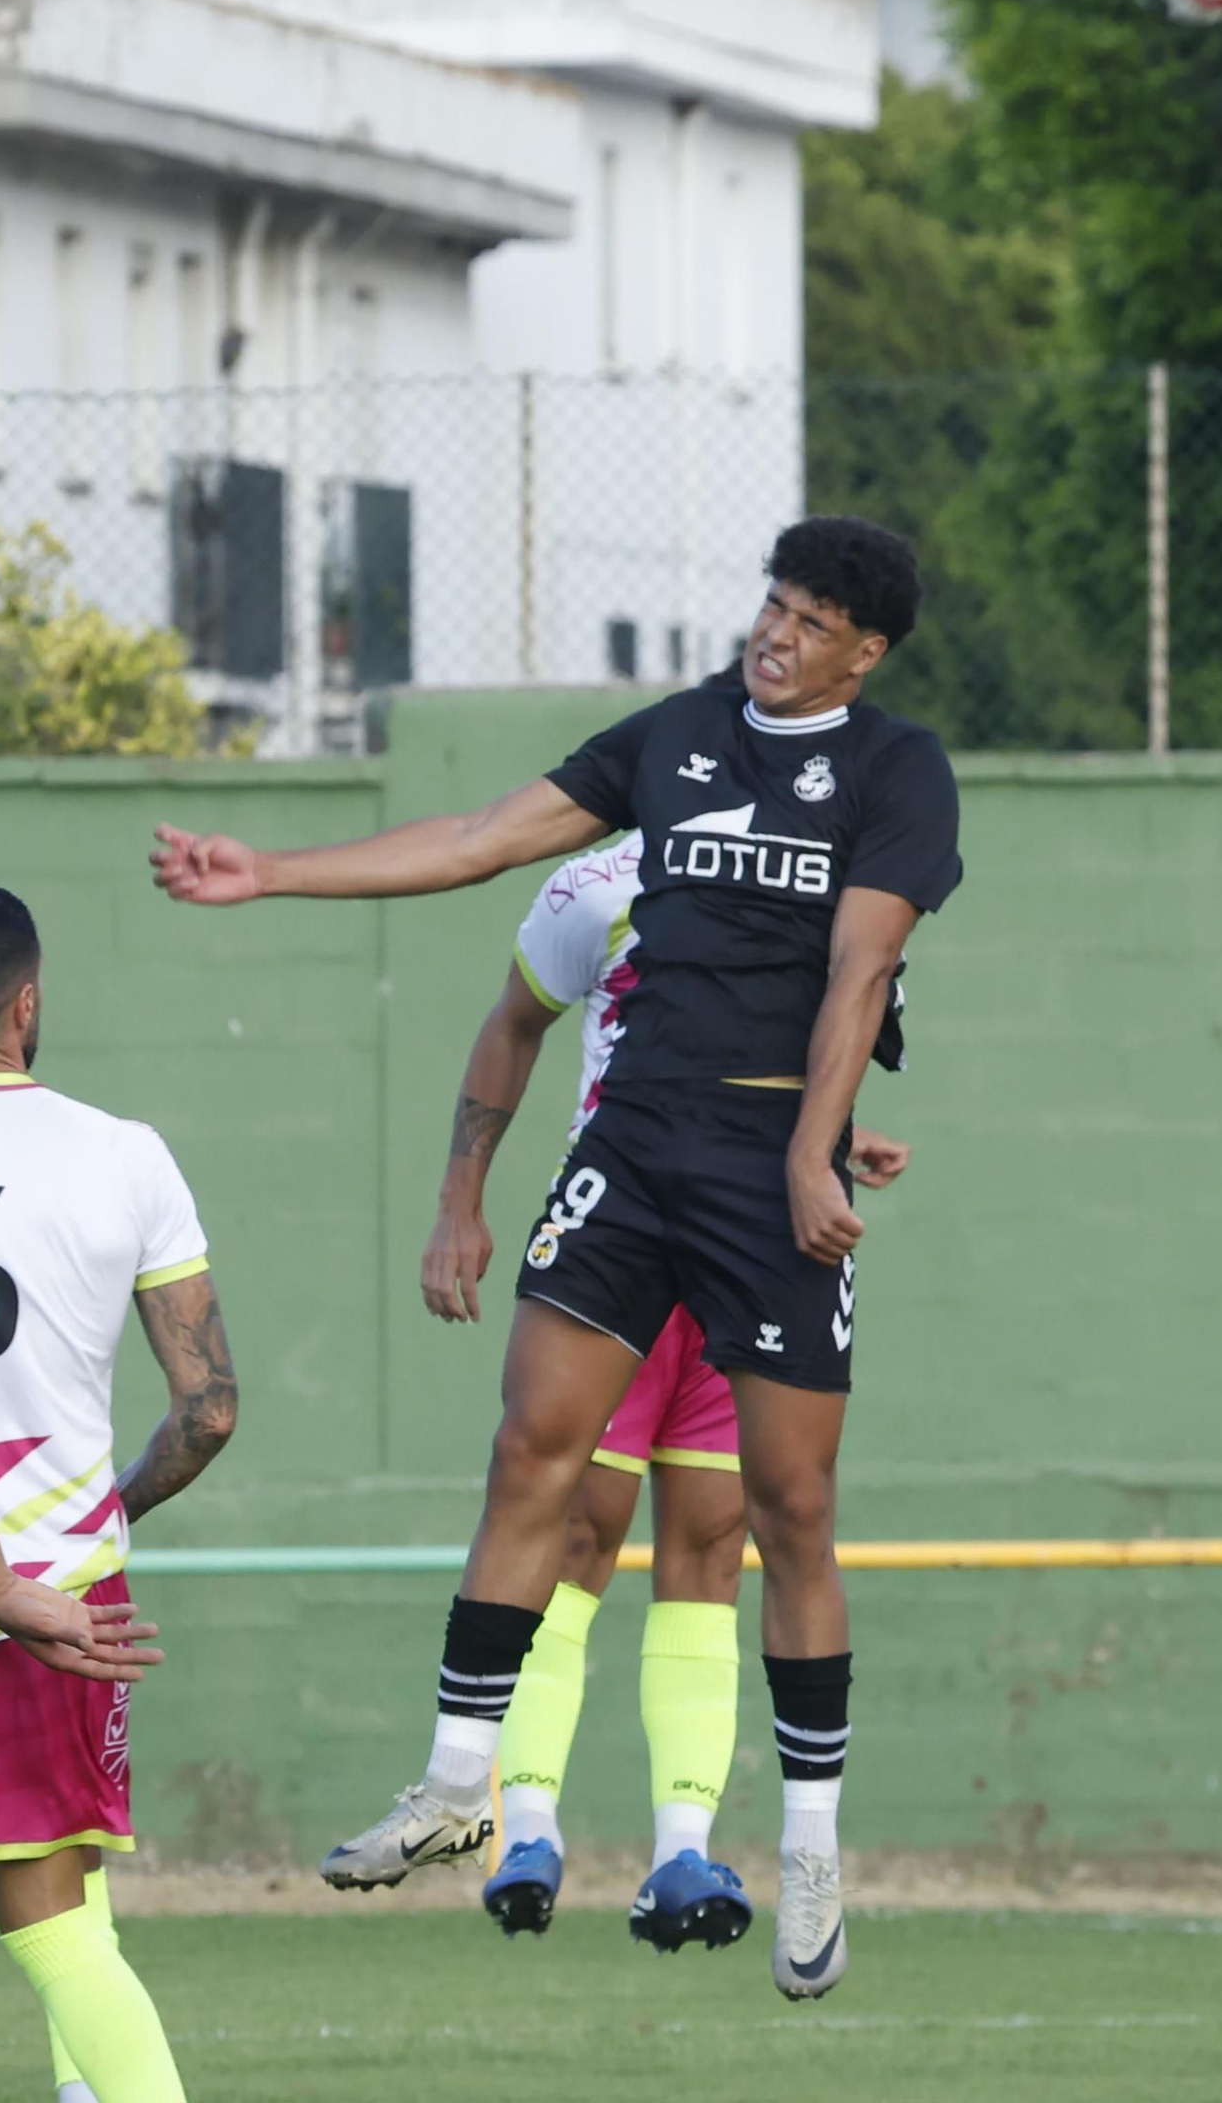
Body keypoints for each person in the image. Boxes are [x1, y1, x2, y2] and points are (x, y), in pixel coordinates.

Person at [151, 514, 960, 2001]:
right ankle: (462, 1783)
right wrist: (267, 871)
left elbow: (862, 967)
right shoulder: (676, 734)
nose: (773, 633)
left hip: (770, 1159)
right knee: (535, 1447)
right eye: (769, 603)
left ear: (865, 648)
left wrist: (813, 1148)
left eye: (809, 619)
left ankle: (814, 1853)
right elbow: (477, 841)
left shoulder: (898, 772)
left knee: (788, 1511)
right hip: (634, 1146)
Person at [400, 832, 910, 1952]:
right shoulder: (602, 882)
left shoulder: (830, 885)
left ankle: (682, 1854)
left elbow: (790, 1054)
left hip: (753, 1253)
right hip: (625, 1249)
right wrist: (460, 1203)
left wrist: (833, 1139)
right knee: (578, 1529)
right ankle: (521, 1823)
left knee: (714, 1548)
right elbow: (514, 1022)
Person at [0, 888, 238, 2103]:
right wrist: (113, 1510)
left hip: (27, 1598)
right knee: (59, 1907)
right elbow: (210, 1409)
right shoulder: (123, 1154)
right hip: (62, 1589)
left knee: (57, 1908)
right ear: (26, 1003)